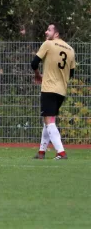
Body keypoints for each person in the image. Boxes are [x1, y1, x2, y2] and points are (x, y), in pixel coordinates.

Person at [31, 24, 75, 160]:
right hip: (61, 91)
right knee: (48, 120)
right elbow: (71, 73)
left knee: (49, 121)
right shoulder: (70, 49)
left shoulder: (48, 44)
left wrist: (38, 75)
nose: (46, 32)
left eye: (49, 30)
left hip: (49, 88)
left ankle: (61, 152)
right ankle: (41, 152)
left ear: (56, 34)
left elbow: (34, 63)